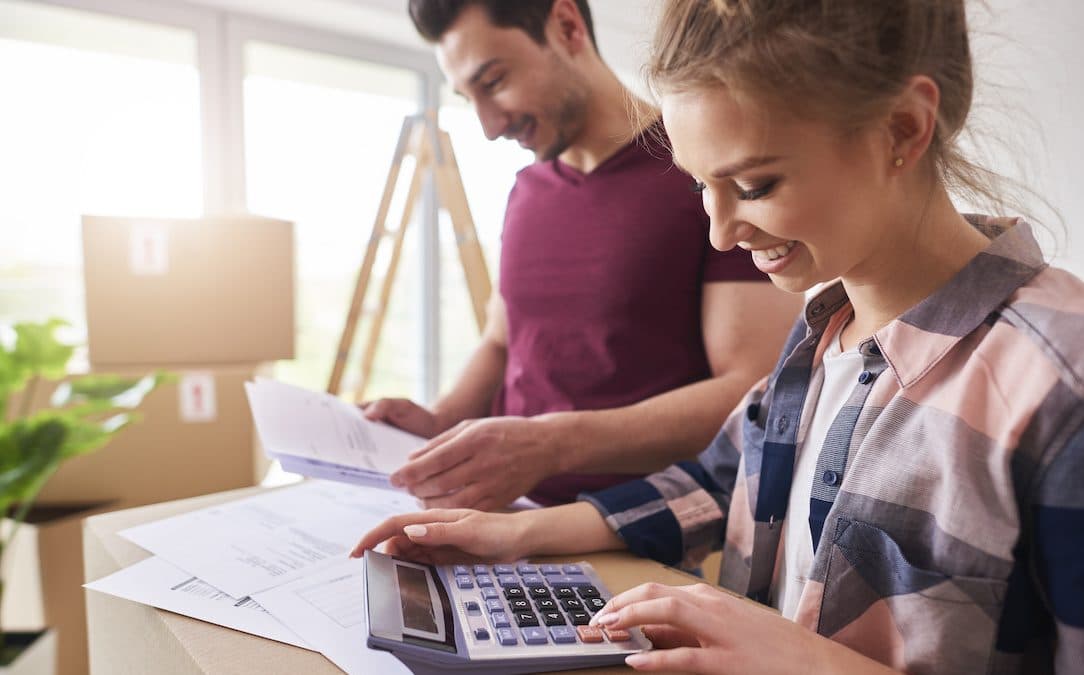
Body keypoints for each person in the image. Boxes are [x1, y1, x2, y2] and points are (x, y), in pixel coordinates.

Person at [354, 0, 1084, 672]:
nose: (721, 231)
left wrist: (805, 660)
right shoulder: (822, 336)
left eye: (756, 186)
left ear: (902, 128)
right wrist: (518, 535)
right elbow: (718, 481)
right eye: (702, 185)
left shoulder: (1059, 386)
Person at [364, 0, 801, 510]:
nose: (488, 125)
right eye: (469, 97)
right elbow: (503, 343)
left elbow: (750, 390)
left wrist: (551, 445)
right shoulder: (524, 192)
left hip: (640, 529)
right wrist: (440, 422)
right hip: (504, 515)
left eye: (495, 81)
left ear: (567, 26)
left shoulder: (706, 173)